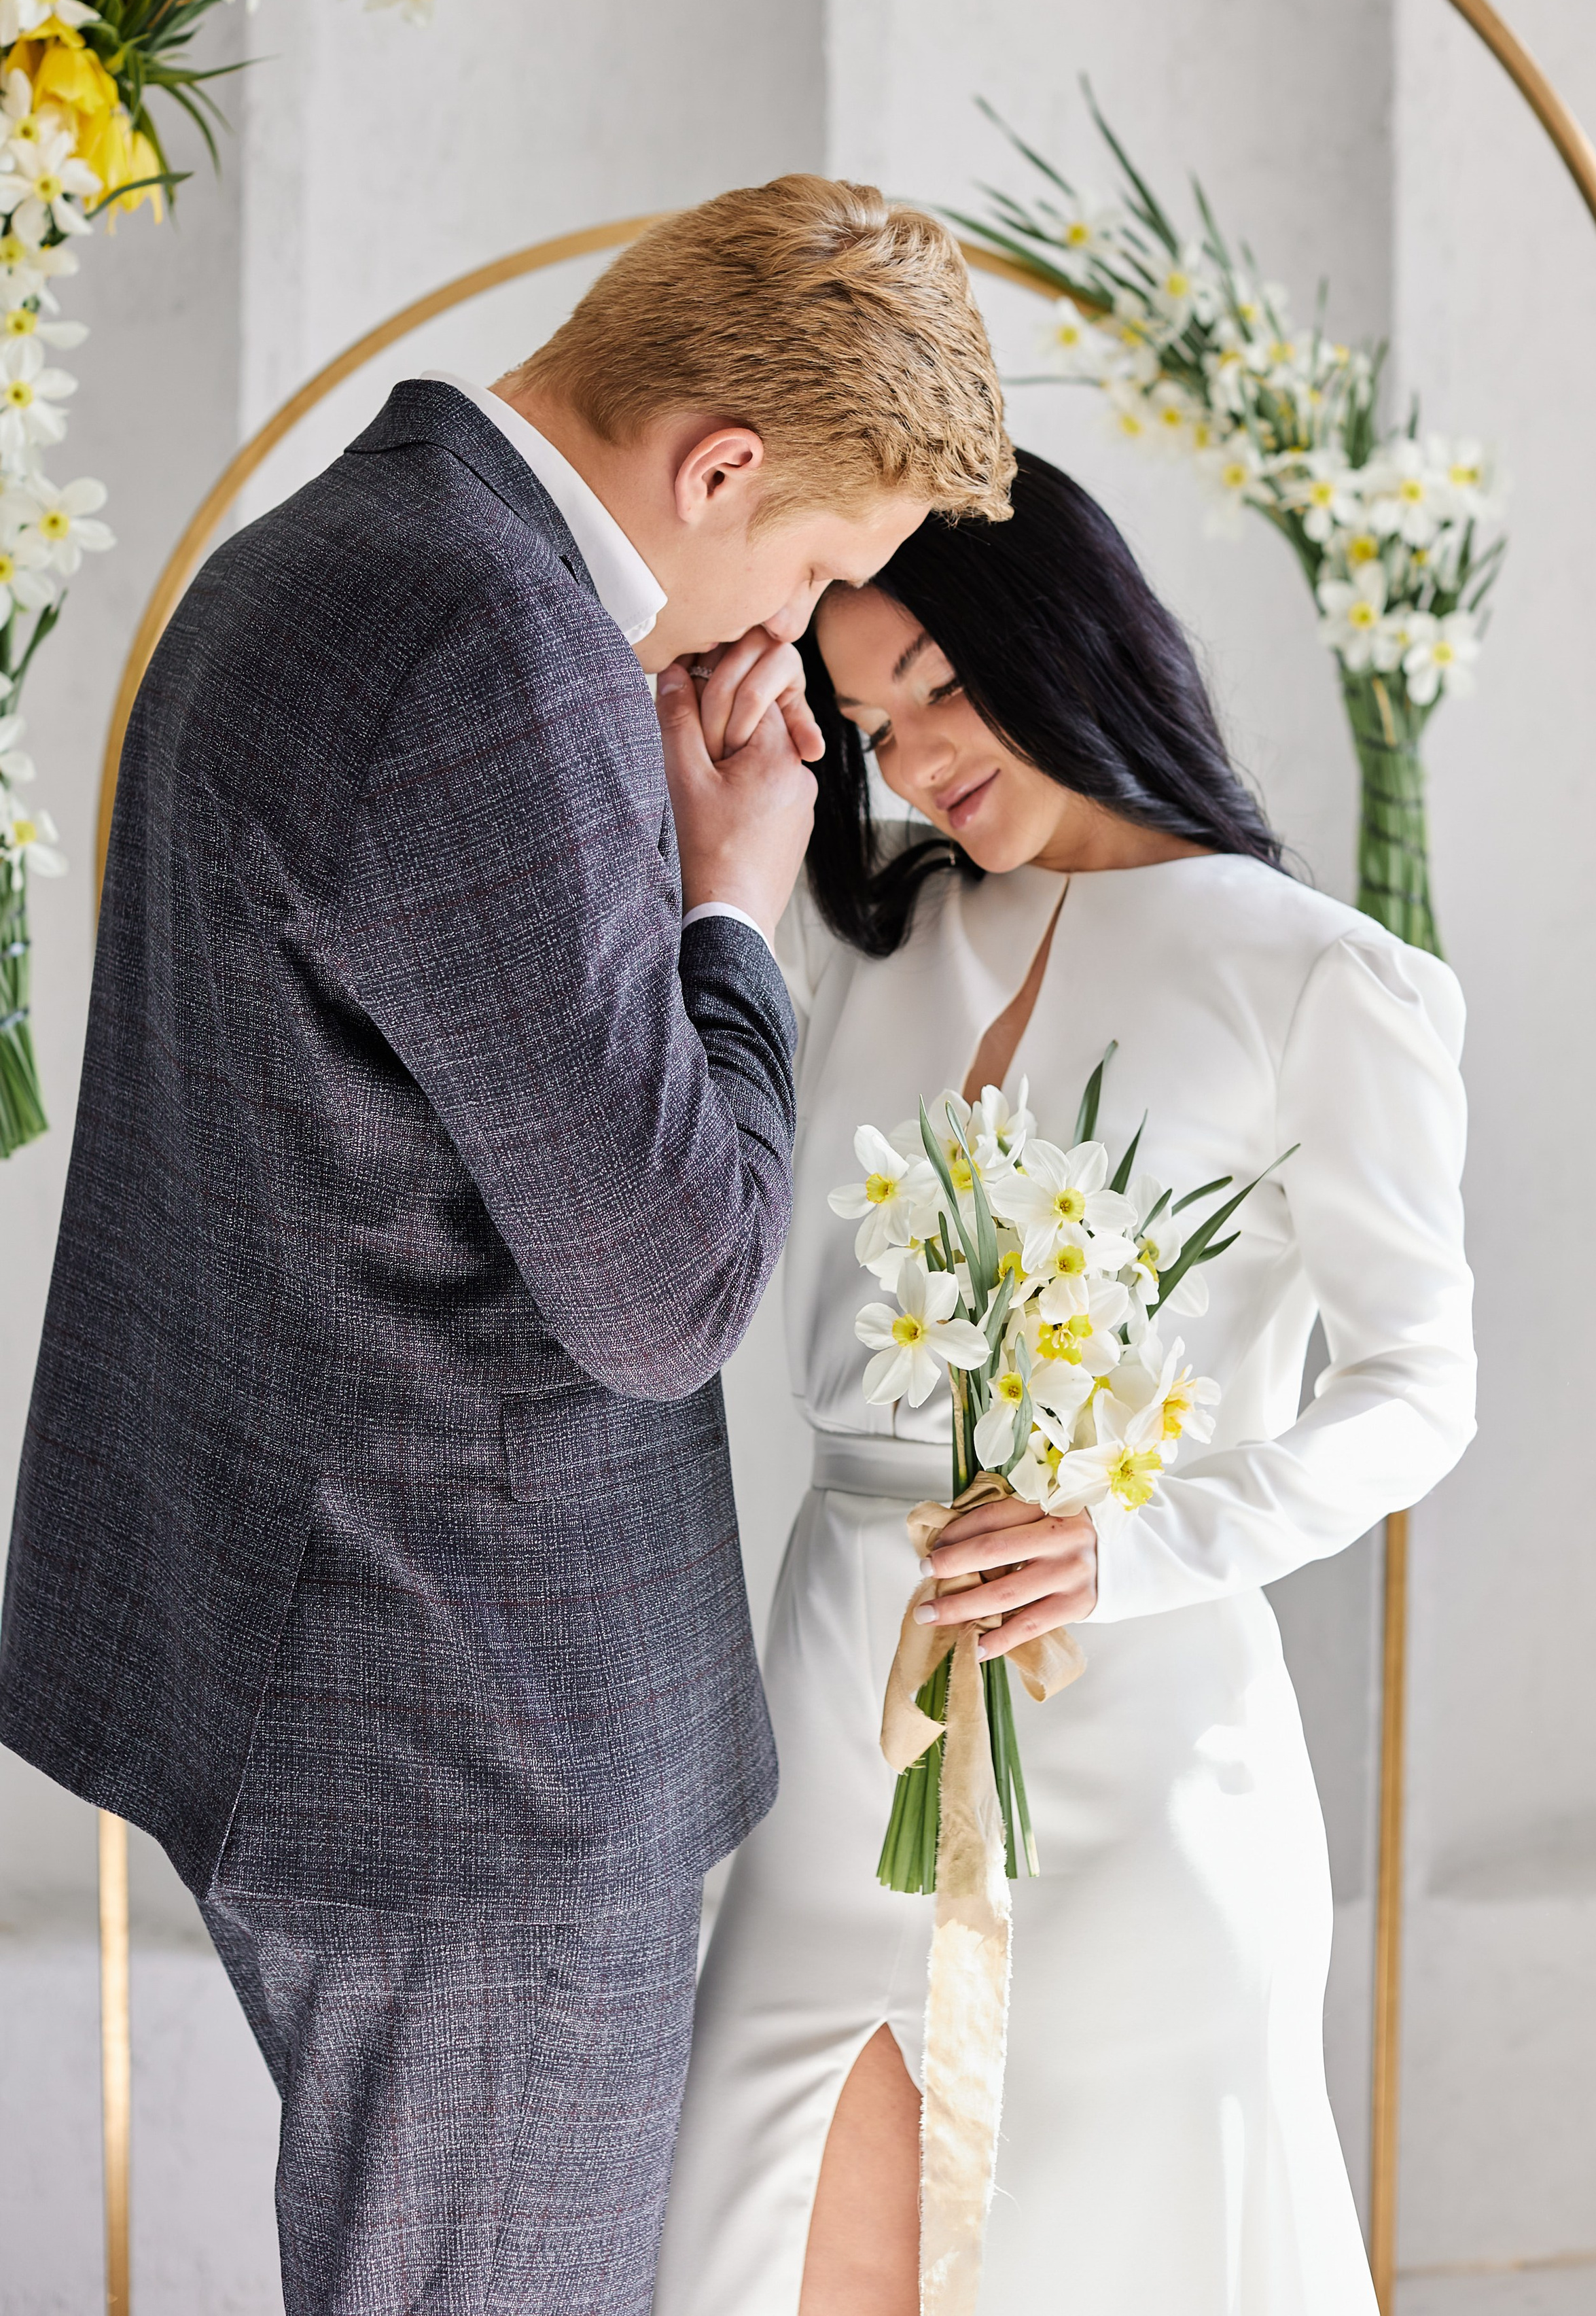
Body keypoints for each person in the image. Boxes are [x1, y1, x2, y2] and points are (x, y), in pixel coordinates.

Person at [0, 179, 1013, 2316]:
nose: (798, 621)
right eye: (820, 563)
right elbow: (672, 1295)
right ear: (718, 469)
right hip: (471, 1751)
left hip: (339, 1668)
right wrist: (729, 895)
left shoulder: (331, 548)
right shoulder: (494, 649)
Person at [656, 449, 1477, 2316]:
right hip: (840, 1720)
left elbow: (1421, 1387)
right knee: (776, 2254)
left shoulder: (1318, 983)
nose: (919, 753)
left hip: (1134, 1738)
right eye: (872, 717)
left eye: (941, 681)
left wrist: (1133, 1537)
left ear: (1073, 634)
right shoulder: (858, 935)